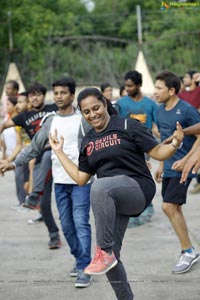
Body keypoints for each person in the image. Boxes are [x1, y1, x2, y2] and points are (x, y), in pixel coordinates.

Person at [48, 87, 184, 300]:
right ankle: (124, 296)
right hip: (111, 199)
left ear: (105, 104)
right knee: (112, 258)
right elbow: (81, 177)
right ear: (82, 113)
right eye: (86, 112)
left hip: (138, 188)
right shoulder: (88, 141)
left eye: (96, 108)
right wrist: (58, 151)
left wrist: (175, 143)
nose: (93, 114)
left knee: (100, 187)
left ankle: (102, 251)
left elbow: (158, 152)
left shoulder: (127, 125)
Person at [0, 77, 92, 288]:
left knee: (81, 223)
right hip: (60, 182)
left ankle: (84, 268)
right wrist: (13, 164)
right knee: (67, 227)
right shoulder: (50, 121)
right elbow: (34, 148)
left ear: (72, 94)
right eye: (56, 93)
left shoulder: (83, 120)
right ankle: (80, 259)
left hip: (81, 181)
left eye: (63, 93)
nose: (59, 96)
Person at [0, 82, 60, 249]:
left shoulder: (53, 108)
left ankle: (34, 195)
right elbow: (4, 125)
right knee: (45, 203)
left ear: (43, 95)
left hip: (61, 157)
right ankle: (54, 235)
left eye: (38, 94)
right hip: (41, 160)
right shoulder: (24, 116)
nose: (35, 97)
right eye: (32, 95)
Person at [154, 71, 200, 274]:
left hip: (184, 167)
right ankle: (189, 250)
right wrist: (161, 164)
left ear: (171, 90)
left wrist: (187, 159)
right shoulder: (159, 110)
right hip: (170, 167)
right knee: (174, 208)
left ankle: (188, 251)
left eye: (159, 88)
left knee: (168, 206)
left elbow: (199, 136)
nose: (155, 92)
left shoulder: (187, 110)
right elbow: (166, 140)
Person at [116, 70, 160, 226]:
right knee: (129, 179)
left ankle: (147, 206)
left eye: (130, 86)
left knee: (141, 178)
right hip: (126, 147)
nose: (127, 88)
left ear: (139, 85)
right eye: (126, 86)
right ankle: (134, 210)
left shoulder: (150, 104)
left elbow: (157, 125)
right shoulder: (121, 104)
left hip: (144, 146)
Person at [178, 71, 200, 194]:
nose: (185, 79)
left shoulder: (198, 90)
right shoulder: (182, 94)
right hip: (189, 126)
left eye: (187, 77)